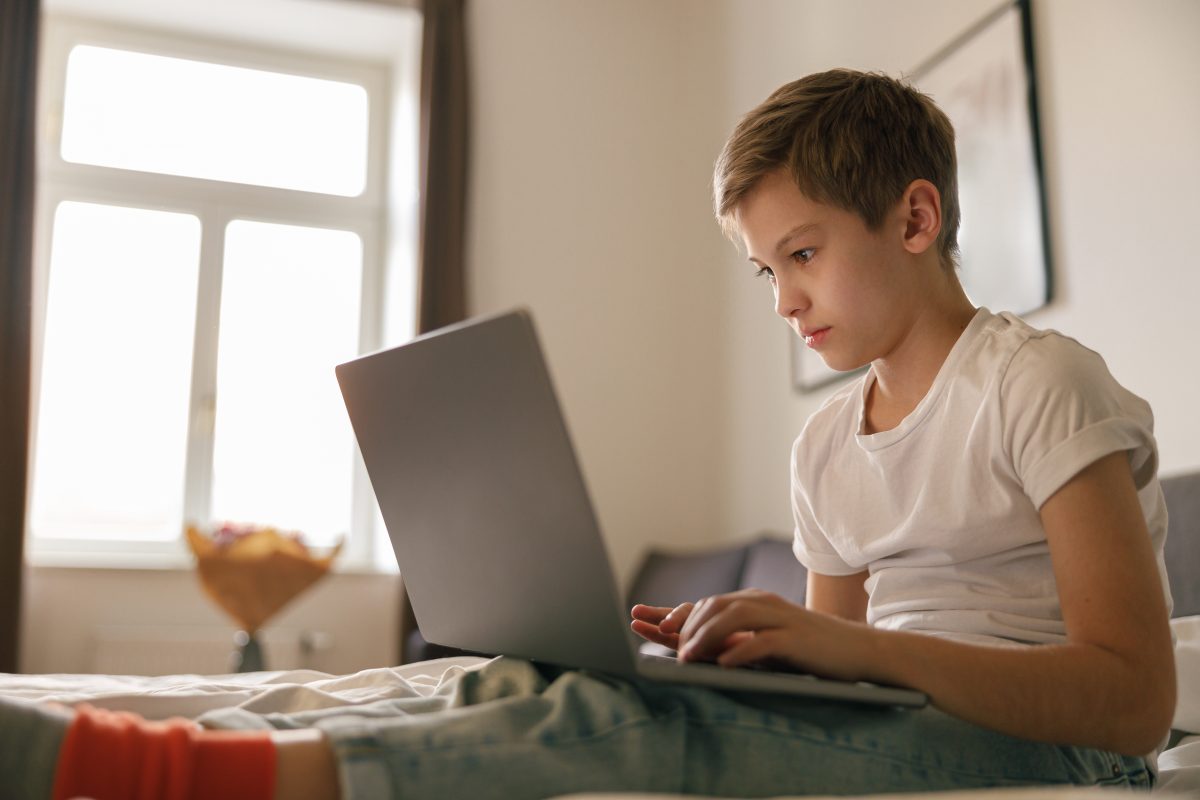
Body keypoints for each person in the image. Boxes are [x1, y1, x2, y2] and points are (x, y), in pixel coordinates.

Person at [0, 68, 1175, 800]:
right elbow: (836, 660)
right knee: (506, 673)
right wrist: (772, 648)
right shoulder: (826, 448)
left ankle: (153, 772)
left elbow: (1129, 702)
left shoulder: (1040, 385)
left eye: (802, 255)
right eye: (766, 268)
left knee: (613, 720)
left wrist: (853, 651)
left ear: (914, 216)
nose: (781, 298)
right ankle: (93, 718)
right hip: (914, 717)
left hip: (1059, 753)